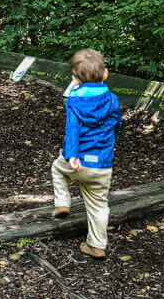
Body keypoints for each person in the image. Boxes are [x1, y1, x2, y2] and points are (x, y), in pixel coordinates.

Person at [51, 48, 121, 259]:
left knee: (57, 169)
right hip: (102, 163)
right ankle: (97, 245)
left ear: (74, 78)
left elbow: (72, 130)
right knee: (99, 205)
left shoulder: (74, 100)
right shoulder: (112, 100)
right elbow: (116, 126)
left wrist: (72, 155)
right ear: (105, 73)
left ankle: (62, 203)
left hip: (77, 161)